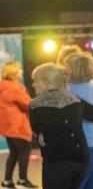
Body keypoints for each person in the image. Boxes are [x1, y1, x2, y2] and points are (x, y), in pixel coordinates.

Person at [29, 63, 89, 189]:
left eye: (35, 81)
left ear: (46, 82)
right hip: (81, 159)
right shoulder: (74, 99)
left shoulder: (35, 104)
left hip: (56, 161)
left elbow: (36, 129)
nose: (33, 84)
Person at [64, 52, 93, 189]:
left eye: (67, 67)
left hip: (84, 147)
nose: (64, 70)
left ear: (75, 69)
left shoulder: (69, 88)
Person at [0, 61, 37, 189]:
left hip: (7, 127)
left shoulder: (3, 86)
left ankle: (7, 181)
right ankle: (22, 179)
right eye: (20, 70)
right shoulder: (16, 88)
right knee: (25, 151)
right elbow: (29, 105)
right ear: (14, 72)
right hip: (17, 127)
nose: (21, 71)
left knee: (14, 153)